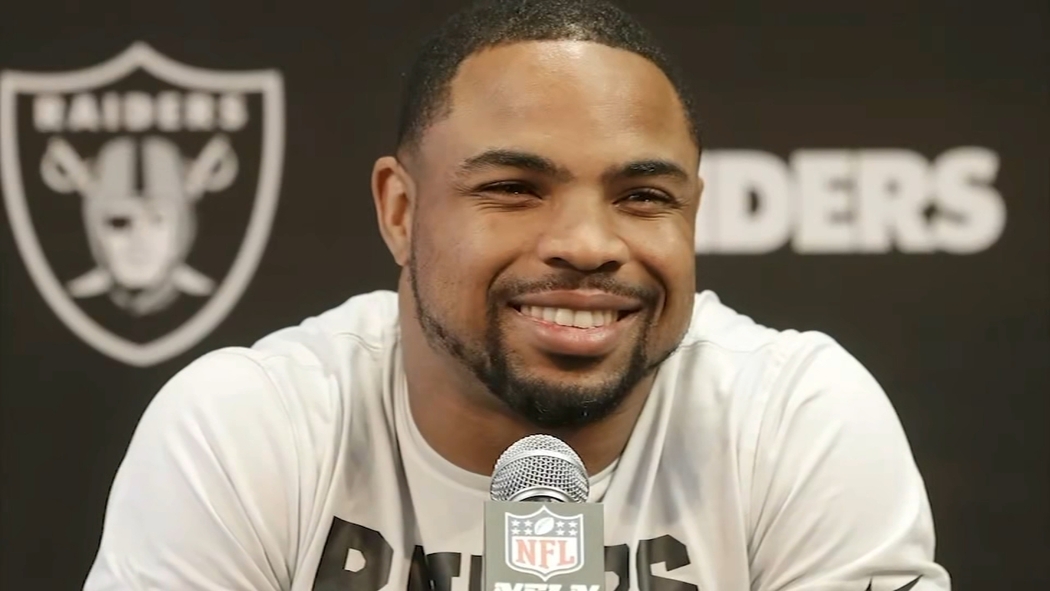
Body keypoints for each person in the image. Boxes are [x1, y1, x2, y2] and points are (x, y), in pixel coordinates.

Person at [83, 0, 952, 589]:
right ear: (400, 210)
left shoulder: (794, 417)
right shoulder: (246, 428)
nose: (588, 244)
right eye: (514, 188)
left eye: (643, 196)